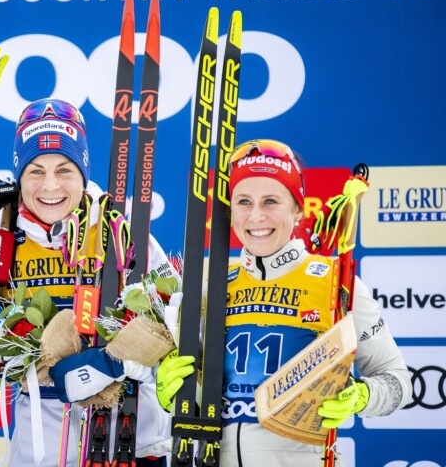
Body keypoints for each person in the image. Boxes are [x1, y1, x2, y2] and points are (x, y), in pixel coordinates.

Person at [155, 139, 413, 467]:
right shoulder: (214, 289)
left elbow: (398, 382)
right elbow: (199, 399)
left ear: (298, 209)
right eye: (244, 202)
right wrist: (173, 394)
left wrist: (362, 397)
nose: (256, 216)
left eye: (271, 201)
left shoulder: (335, 283)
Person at [0, 98, 179, 466]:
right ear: (19, 174)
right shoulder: (0, 241)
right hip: (39, 448)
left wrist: (123, 358)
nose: (50, 185)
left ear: (83, 171)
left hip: (126, 438)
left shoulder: (120, 232)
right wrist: (12, 354)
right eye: (36, 170)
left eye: (64, 170)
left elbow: (175, 315)